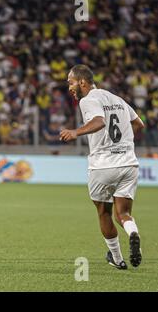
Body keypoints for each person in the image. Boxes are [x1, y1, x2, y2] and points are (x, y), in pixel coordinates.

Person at [60, 65, 144, 269]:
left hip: (102, 166)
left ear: (82, 82)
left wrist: (75, 132)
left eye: (71, 82)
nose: (69, 87)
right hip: (128, 164)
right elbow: (139, 124)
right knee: (123, 214)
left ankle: (117, 258)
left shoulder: (88, 100)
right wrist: (123, 142)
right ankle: (132, 232)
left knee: (104, 213)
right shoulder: (118, 99)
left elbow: (99, 121)